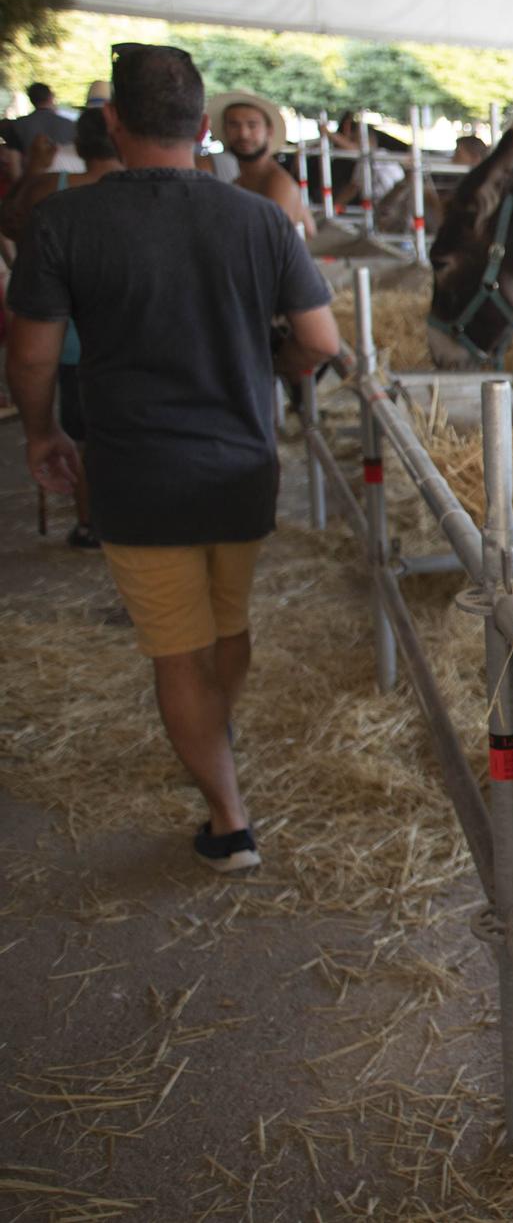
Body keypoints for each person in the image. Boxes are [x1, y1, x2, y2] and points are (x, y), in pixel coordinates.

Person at [4, 43, 339, 873]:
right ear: (202, 127)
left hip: (135, 473)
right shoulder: (259, 219)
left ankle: (227, 813)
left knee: (176, 649)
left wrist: (41, 433)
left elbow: (34, 355)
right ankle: (215, 752)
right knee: (228, 624)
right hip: (241, 465)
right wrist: (272, 368)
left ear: (113, 124)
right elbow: (320, 342)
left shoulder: (64, 222)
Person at [0, 108, 123, 547]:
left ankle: (90, 522)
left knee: (84, 438)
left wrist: (33, 168)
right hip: (128, 334)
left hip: (67, 338)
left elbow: (10, 222)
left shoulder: (51, 189)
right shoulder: (142, 191)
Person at [206, 88, 313, 236]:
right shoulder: (240, 181)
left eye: (252, 125)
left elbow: (269, 244)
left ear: (268, 131)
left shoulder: (277, 183)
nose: (243, 134)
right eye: (234, 125)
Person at [1, 82, 77, 153]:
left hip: (28, 166)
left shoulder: (17, 125)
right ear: (50, 97)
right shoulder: (69, 124)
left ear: (31, 99)